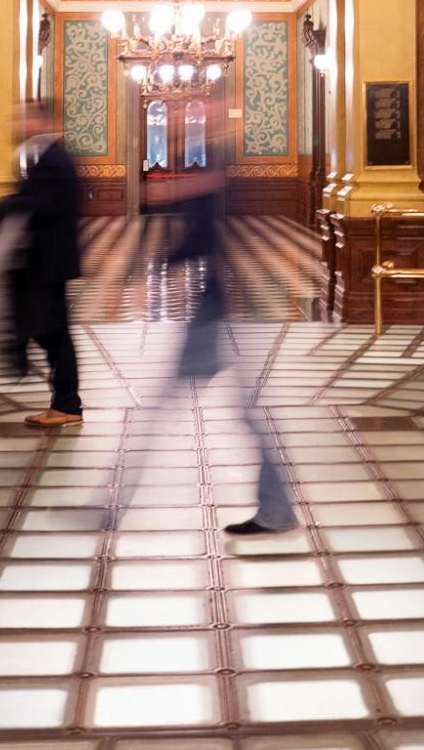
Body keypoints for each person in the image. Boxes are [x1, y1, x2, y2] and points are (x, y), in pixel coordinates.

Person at [163, 111, 297, 536]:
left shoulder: (217, 166)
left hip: (228, 306)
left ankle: (277, 512)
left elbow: (202, 235)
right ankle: (276, 510)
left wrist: (164, 260)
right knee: (232, 407)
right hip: (229, 301)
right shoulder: (217, 165)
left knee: (237, 408)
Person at [0, 99, 85, 428]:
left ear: (40, 120)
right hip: (45, 264)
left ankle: (67, 404)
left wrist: (4, 207)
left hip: (48, 264)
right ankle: (63, 401)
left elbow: (44, 206)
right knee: (50, 332)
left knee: (54, 334)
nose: (18, 124)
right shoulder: (45, 158)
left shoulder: (53, 161)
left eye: (24, 118)